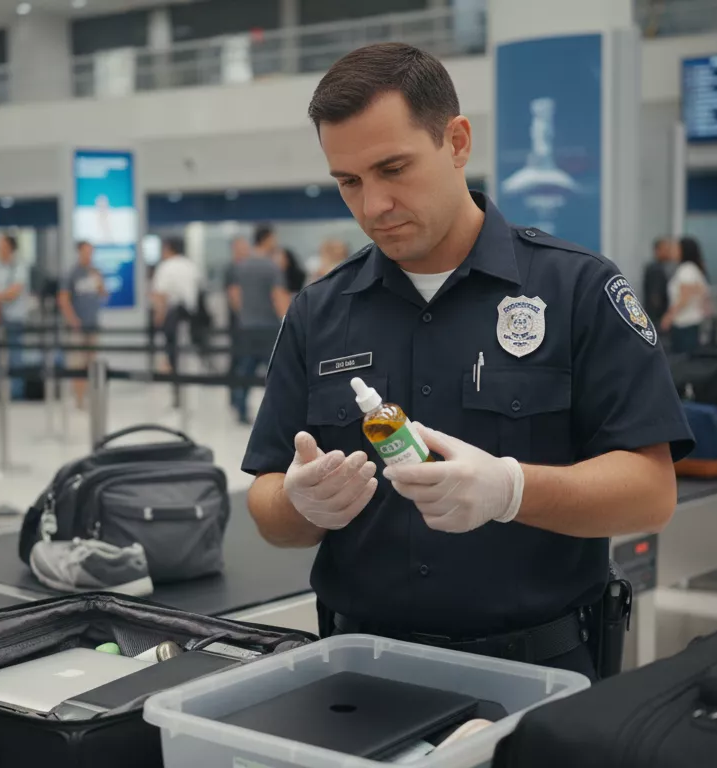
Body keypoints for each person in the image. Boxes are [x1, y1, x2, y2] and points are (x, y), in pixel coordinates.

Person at [241, 42, 693, 681]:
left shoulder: (576, 290)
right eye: (349, 182)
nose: (373, 206)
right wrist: (298, 504)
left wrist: (512, 490)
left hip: (540, 672)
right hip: (358, 672)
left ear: (456, 142)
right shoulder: (319, 312)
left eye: (393, 168)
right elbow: (267, 501)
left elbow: (650, 492)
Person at [228, 233, 291, 424]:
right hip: (269, 327)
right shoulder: (272, 266)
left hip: (247, 326)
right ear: (267, 239)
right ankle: (282, 412)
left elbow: (234, 294)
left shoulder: (241, 266)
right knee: (277, 372)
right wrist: (287, 322)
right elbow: (279, 296)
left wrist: (245, 315)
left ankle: (240, 408)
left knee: (245, 370)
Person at [58, 240, 109, 408]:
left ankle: (89, 396)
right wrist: (73, 320)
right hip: (78, 327)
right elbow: (63, 299)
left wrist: (99, 280)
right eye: (86, 252)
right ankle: (79, 398)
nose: (89, 256)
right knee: (78, 363)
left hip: (92, 324)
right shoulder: (72, 273)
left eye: (91, 252)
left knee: (91, 362)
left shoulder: (95, 272)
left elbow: (103, 294)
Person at [0, 232, 31, 398]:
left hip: (14, 319)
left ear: (11, 248)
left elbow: (13, 292)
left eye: (3, 246)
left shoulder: (19, 267)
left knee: (15, 357)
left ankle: (16, 393)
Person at [151, 236, 202, 377]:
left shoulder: (166, 266)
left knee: (171, 350)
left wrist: (158, 317)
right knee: (188, 349)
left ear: (168, 249)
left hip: (173, 314)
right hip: (191, 314)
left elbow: (161, 295)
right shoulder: (190, 265)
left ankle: (173, 375)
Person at [661, 236, 710, 354]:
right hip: (692, 322)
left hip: (684, 324)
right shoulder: (693, 269)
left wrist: (668, 317)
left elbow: (684, 298)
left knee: (683, 358)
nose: (673, 251)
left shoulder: (686, 270)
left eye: (676, 248)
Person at [642, 237, 677, 326]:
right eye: (666, 249)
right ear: (657, 251)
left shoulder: (661, 267)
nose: (669, 252)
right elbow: (655, 297)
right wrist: (661, 318)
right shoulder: (655, 269)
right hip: (657, 318)